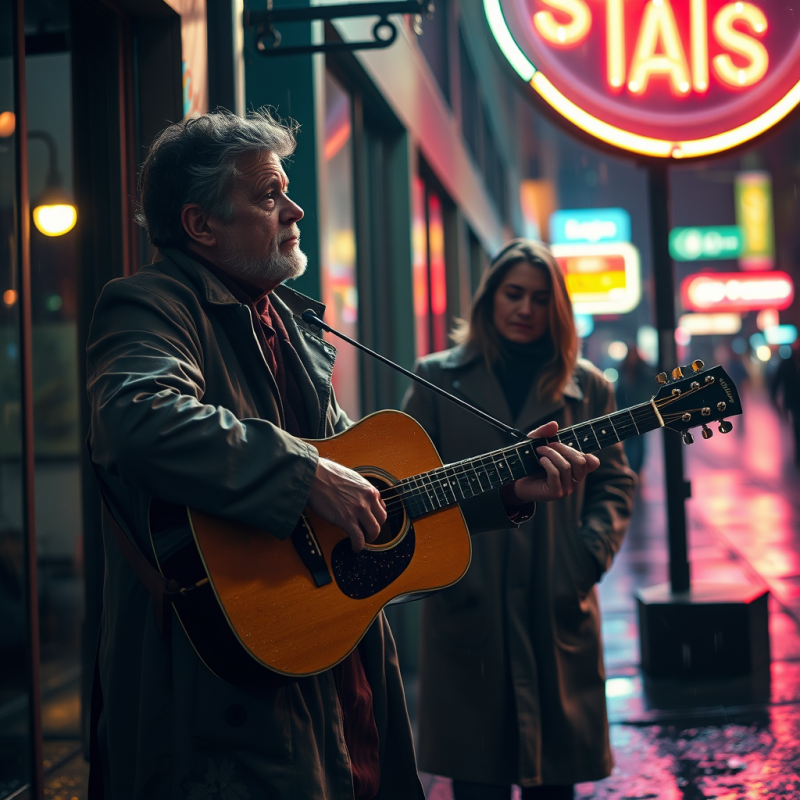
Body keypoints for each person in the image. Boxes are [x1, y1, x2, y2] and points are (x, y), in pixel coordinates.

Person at [85, 112, 598, 800]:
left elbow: (377, 494)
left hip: (334, 664)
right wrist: (304, 474)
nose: (295, 209)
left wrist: (505, 490)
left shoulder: (286, 321)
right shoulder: (150, 304)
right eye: (268, 195)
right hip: (220, 684)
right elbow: (135, 417)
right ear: (201, 224)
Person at [403, 239, 636, 800]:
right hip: (469, 599)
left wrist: (585, 558)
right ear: (489, 299)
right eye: (514, 294)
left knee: (553, 782)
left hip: (554, 598)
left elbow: (614, 482)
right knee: (475, 780)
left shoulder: (589, 386)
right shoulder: (436, 378)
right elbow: (407, 488)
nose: (526, 308)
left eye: (540, 298)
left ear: (557, 308)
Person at [614, 344, 654, 474]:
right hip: (626, 411)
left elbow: (649, 386)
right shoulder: (623, 370)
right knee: (630, 442)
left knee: (640, 442)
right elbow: (619, 391)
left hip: (640, 411)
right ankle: (630, 469)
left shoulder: (642, 371)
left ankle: (637, 469)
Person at [770, 342, 800, 465]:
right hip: (794, 401)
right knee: (797, 427)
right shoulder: (786, 363)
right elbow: (776, 382)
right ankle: (798, 455)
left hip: (792, 401)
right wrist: (774, 399)